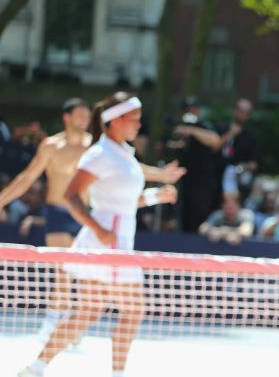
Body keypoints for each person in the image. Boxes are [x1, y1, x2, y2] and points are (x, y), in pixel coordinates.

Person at [18, 92, 178, 377]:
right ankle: (114, 373)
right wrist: (100, 230)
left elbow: (125, 200)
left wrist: (156, 196)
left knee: (87, 312)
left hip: (115, 241)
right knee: (132, 310)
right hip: (109, 245)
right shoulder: (100, 153)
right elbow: (72, 196)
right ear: (116, 121)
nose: (139, 125)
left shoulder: (122, 153)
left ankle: (35, 368)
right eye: (135, 119)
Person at [168, 96, 221, 232]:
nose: (190, 112)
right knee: (184, 216)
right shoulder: (178, 125)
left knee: (201, 216)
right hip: (184, 180)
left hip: (203, 181)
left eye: (193, 109)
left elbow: (215, 141)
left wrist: (190, 130)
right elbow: (165, 144)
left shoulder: (203, 126)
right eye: (187, 109)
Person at [216, 98, 259, 198]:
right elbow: (214, 147)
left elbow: (254, 164)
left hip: (237, 179)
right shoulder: (221, 128)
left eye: (247, 112)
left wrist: (242, 167)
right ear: (235, 111)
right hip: (216, 176)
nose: (243, 115)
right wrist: (230, 134)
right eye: (241, 111)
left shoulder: (250, 137)